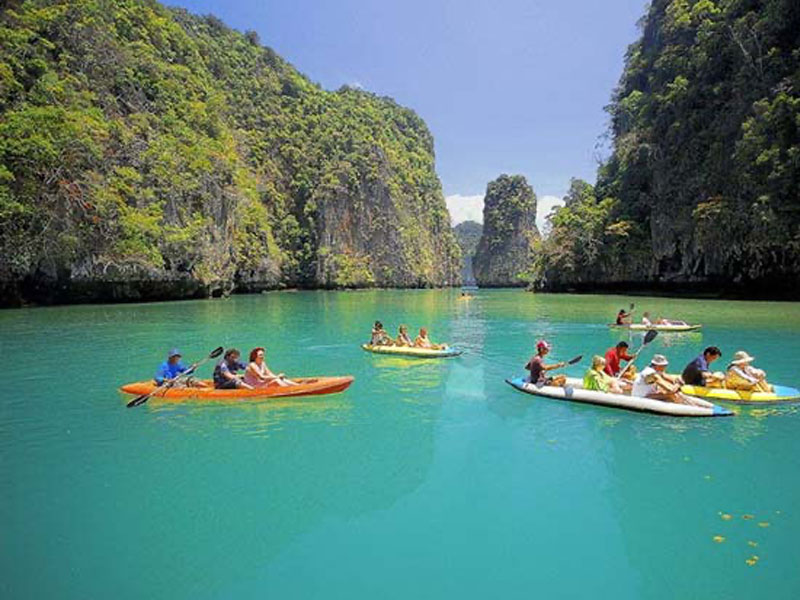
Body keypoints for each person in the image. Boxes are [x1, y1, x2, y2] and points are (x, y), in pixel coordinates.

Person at [632, 354, 710, 406]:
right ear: (658, 365)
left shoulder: (658, 371)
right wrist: (678, 384)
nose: (665, 366)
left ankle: (690, 404)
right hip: (641, 397)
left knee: (674, 393)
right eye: (664, 365)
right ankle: (688, 407)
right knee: (671, 394)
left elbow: (670, 378)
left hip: (649, 394)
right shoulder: (651, 374)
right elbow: (670, 390)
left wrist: (676, 381)